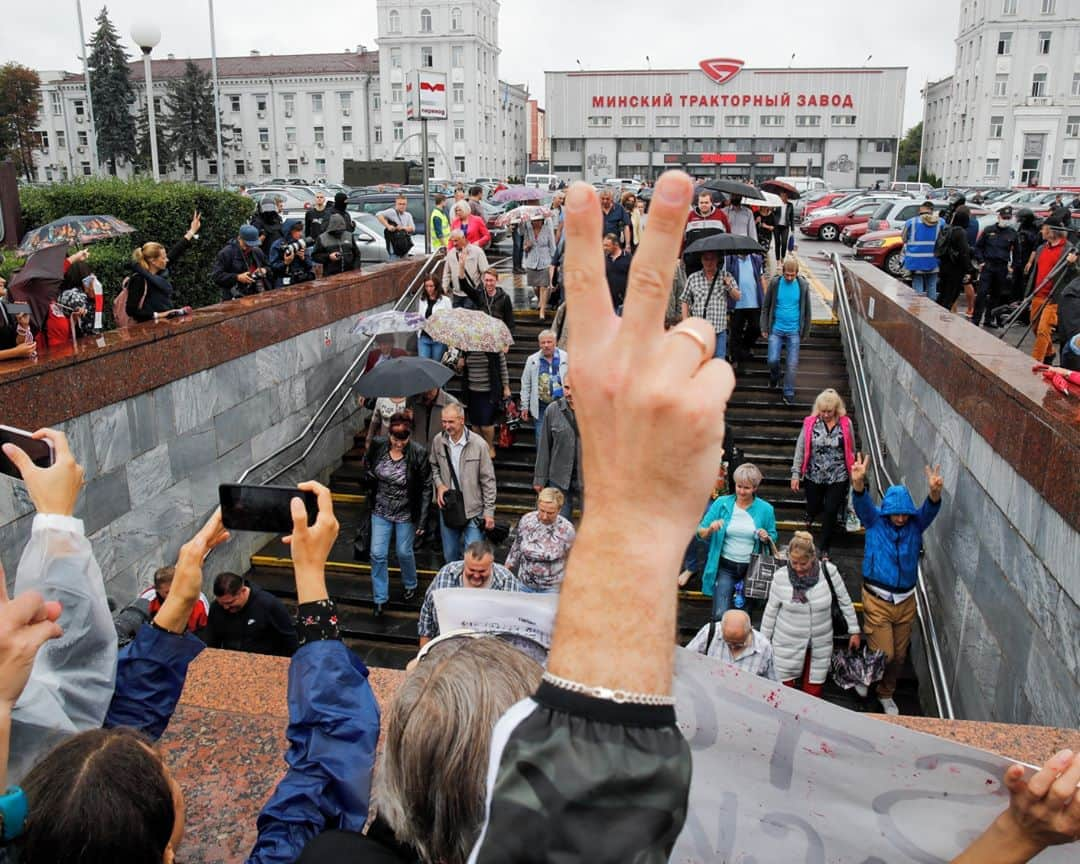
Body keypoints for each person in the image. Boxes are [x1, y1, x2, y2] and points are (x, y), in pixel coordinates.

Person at [851, 453, 943, 715]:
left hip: (906, 600)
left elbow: (929, 509)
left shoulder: (915, 526)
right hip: (877, 599)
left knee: (900, 656)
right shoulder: (875, 521)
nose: (901, 518)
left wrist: (934, 493)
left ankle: (886, 692)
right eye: (896, 514)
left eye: (905, 514)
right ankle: (863, 675)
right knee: (885, 653)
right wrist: (858, 483)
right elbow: (862, 504)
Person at [760, 531, 860, 698]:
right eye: (794, 563)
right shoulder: (780, 577)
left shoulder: (829, 572)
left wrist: (854, 630)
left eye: (803, 564)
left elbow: (844, 601)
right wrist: (763, 642)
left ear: (813, 558)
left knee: (813, 693)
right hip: (786, 642)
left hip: (820, 643)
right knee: (782, 693)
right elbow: (770, 613)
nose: (798, 568)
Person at [365, 412, 431, 617]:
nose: (399, 443)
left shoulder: (418, 452)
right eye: (395, 438)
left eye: (404, 438)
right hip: (380, 509)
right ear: (389, 435)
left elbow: (426, 486)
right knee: (377, 553)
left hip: (405, 511)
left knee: (403, 551)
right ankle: (380, 598)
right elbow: (368, 465)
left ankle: (411, 583)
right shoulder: (378, 445)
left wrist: (422, 519)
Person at [697, 462, 778, 619]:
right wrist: (710, 529)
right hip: (726, 566)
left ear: (755, 488)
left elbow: (773, 536)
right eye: (739, 486)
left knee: (744, 616)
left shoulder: (766, 509)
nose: (741, 491)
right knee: (720, 614)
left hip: (752, 568)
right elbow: (700, 533)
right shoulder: (721, 503)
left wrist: (766, 536)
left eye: (746, 488)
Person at [417, 540, 523, 645]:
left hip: (490, 651)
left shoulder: (506, 581)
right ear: (464, 562)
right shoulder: (446, 573)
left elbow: (516, 624)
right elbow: (427, 612)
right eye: (471, 570)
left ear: (492, 565)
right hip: (446, 646)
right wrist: (423, 651)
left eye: (482, 571)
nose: (476, 575)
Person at [791, 388, 856, 559]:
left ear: (836, 409)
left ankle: (824, 547)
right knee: (814, 504)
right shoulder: (810, 423)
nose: (825, 414)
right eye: (822, 411)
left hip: (838, 475)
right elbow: (801, 448)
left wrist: (854, 471)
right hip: (814, 474)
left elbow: (851, 449)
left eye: (829, 411)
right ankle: (811, 512)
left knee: (831, 510)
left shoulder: (846, 423)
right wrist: (796, 474)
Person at [429, 403, 497, 562]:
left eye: (450, 422)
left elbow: (488, 480)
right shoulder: (438, 441)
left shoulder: (479, 444)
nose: (446, 426)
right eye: (444, 421)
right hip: (449, 507)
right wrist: (439, 485)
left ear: (462, 420)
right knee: (450, 556)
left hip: (473, 510)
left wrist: (489, 512)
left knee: (473, 557)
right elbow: (433, 465)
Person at [126, 211, 202, 322]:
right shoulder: (139, 279)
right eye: (163, 257)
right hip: (146, 330)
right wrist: (158, 315)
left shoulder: (159, 271)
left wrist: (192, 231)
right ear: (153, 261)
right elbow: (131, 311)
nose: (167, 260)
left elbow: (176, 251)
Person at [200, 572, 298, 656]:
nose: (226, 608)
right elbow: (211, 641)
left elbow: (289, 638)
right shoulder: (216, 608)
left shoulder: (269, 604)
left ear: (243, 591)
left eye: (230, 603)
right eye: (222, 604)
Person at [761, 254, 812, 405]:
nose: (789, 278)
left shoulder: (803, 286)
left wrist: (805, 331)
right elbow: (766, 306)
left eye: (792, 275)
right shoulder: (775, 283)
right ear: (782, 272)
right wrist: (764, 326)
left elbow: (807, 311)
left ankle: (788, 392)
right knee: (772, 359)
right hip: (776, 328)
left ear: (797, 273)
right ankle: (775, 376)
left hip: (794, 330)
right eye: (787, 274)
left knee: (792, 364)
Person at [503, 488, 577, 593]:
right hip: (524, 584)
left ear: (559, 510)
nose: (545, 516)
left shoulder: (567, 530)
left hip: (552, 588)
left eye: (550, 513)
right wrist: (505, 570)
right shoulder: (527, 520)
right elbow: (516, 547)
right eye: (542, 510)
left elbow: (572, 560)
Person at [1026, 219, 1078, 363]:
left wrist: (1072, 265)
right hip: (1038, 294)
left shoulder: (1069, 250)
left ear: (1051, 231)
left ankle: (1036, 362)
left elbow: (1076, 276)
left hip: (1054, 298)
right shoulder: (1042, 248)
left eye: (1043, 229)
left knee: (1044, 330)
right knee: (1035, 328)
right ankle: (1049, 352)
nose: (1041, 232)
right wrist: (1028, 293)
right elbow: (1036, 273)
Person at [534, 371, 581, 519]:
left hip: (587, 478)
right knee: (559, 522)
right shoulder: (553, 410)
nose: (570, 392)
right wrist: (539, 478)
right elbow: (544, 447)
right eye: (566, 388)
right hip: (559, 476)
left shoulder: (597, 412)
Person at [684, 609, 779, 680]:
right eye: (728, 643)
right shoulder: (710, 632)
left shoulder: (763, 647)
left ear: (750, 630)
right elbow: (685, 661)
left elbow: (774, 684)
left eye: (739, 644)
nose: (733, 647)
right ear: (721, 628)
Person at [682, 249, 740, 359]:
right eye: (706, 259)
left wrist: (729, 286)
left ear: (717, 260)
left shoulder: (726, 276)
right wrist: (685, 321)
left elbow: (737, 297)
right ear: (701, 260)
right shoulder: (693, 278)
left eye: (712, 259)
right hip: (699, 330)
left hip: (719, 330)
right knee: (700, 362)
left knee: (718, 362)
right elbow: (685, 300)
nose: (709, 262)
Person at [457, 345, 511, 457]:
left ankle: (489, 446)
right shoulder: (466, 349)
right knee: (475, 425)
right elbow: (459, 372)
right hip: (471, 392)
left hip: (489, 392)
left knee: (486, 424)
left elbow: (503, 368)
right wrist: (460, 365)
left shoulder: (494, 348)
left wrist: (506, 386)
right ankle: (479, 447)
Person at [520, 329, 568, 444]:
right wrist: (524, 406)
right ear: (539, 344)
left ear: (555, 342)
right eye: (543, 342)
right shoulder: (532, 360)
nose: (546, 345)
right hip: (541, 407)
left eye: (549, 342)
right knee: (541, 438)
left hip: (563, 406)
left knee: (562, 439)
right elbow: (526, 383)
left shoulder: (566, 357)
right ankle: (543, 462)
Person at [973, 205, 1017, 327]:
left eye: (1008, 217)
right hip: (988, 266)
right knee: (982, 293)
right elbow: (978, 247)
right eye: (1004, 217)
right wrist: (981, 261)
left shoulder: (1012, 233)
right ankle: (976, 318)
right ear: (999, 217)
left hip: (1002, 267)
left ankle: (989, 319)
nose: (1005, 219)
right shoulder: (988, 230)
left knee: (996, 294)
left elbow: (1017, 252)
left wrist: (1012, 266)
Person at [136, 566, 210, 633]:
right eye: (167, 592)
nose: (172, 595)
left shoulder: (198, 602)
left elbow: (205, 631)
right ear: (156, 589)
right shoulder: (147, 599)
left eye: (176, 589)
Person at [726, 251, 765, 369]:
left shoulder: (756, 259)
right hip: (737, 303)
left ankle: (745, 347)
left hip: (754, 302)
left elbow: (761, 278)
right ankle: (735, 358)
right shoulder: (730, 260)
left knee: (756, 327)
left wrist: (765, 296)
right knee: (736, 331)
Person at [212, 224, 271, 301]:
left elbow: (270, 267)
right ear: (239, 238)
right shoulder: (226, 253)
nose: (248, 248)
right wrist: (237, 277)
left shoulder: (257, 251)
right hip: (233, 298)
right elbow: (216, 276)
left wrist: (264, 270)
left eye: (251, 245)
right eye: (246, 244)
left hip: (256, 296)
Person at [901, 200, 942, 301]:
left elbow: (904, 239)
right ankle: (931, 311)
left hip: (915, 260)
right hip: (933, 260)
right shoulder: (941, 222)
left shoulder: (911, 222)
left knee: (917, 287)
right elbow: (943, 240)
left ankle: (918, 310)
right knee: (932, 286)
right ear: (932, 210)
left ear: (920, 210)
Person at [936, 207, 974, 313]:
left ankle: (937, 315)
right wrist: (970, 269)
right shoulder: (960, 232)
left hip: (944, 266)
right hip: (955, 268)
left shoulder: (948, 229)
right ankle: (942, 319)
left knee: (943, 294)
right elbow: (964, 253)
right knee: (951, 295)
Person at [684, 189, 730, 270]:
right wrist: (682, 256)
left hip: (715, 261)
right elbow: (684, 238)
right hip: (693, 262)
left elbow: (728, 235)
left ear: (711, 203)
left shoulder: (720, 216)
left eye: (706, 202)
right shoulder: (690, 216)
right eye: (701, 203)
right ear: (697, 203)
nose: (703, 205)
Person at [442, 230, 489, 309]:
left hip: (471, 295)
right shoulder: (451, 253)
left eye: (456, 240)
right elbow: (447, 273)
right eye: (452, 241)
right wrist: (444, 287)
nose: (454, 244)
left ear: (463, 238)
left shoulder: (477, 251)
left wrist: (485, 291)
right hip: (456, 295)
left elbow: (485, 271)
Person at [522, 214, 556, 319]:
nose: (536, 222)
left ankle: (542, 311)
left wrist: (554, 261)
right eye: (534, 220)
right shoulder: (528, 230)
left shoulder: (547, 229)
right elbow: (525, 247)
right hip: (531, 261)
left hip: (545, 261)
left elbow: (552, 245)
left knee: (543, 286)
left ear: (542, 220)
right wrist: (527, 246)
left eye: (538, 220)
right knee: (535, 286)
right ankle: (541, 301)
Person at [268, 219, 315, 288]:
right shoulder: (277, 245)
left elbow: (310, 265)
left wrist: (303, 258)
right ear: (290, 232)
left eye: (301, 231)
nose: (300, 234)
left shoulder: (301, 243)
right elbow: (273, 267)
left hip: (301, 280)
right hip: (284, 282)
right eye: (298, 231)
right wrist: (285, 263)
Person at [416, 275, 452, 361]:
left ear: (436, 286)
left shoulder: (445, 301)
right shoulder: (422, 300)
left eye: (431, 286)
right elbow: (420, 316)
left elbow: (450, 319)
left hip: (438, 338)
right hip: (424, 336)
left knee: (437, 364)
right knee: (423, 363)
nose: (429, 289)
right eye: (426, 286)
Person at [477, 267, 515, 336]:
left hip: (498, 334)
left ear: (497, 280)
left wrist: (507, 342)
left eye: (491, 280)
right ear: (483, 281)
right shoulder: (479, 295)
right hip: (482, 334)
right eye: (486, 280)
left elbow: (510, 321)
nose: (488, 283)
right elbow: (465, 287)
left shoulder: (505, 297)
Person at [1013, 208, 1041, 303]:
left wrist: (1030, 262)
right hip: (1020, 257)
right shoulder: (1022, 226)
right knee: (1016, 281)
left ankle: (1024, 301)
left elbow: (1035, 246)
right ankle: (1016, 299)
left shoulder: (1035, 227)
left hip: (1029, 258)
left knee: (1026, 282)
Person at [378, 195, 416, 260]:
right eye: (400, 204)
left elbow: (413, 228)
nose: (402, 206)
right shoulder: (391, 212)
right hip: (394, 248)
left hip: (404, 247)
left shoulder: (408, 215)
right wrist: (388, 226)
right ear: (396, 204)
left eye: (404, 204)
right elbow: (378, 215)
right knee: (394, 264)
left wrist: (402, 228)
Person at [603, 232, 632, 309]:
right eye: (603, 245)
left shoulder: (628, 258)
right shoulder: (604, 259)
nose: (604, 248)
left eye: (607, 245)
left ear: (615, 245)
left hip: (624, 303)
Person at [773, 190, 795, 264]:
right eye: (782, 196)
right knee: (777, 243)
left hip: (785, 227)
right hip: (777, 226)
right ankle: (778, 260)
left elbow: (792, 217)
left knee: (784, 243)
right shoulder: (777, 204)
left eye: (785, 196)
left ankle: (782, 257)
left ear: (787, 197)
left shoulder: (790, 205)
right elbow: (773, 214)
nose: (783, 197)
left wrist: (792, 228)